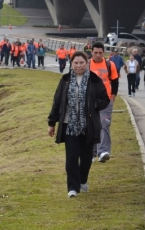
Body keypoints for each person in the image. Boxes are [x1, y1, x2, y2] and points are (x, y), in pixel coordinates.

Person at [48, 51, 111, 198]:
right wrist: (52, 123)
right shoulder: (65, 80)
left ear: (86, 63)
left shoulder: (94, 80)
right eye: (75, 63)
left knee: (86, 157)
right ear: (72, 64)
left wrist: (94, 104)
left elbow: (105, 99)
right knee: (71, 157)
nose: (78, 65)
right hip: (69, 124)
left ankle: (83, 180)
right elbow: (57, 102)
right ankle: (72, 188)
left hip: (88, 125)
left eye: (81, 62)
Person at [89, 42, 119, 163]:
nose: (98, 55)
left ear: (104, 53)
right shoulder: (86, 64)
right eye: (95, 53)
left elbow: (115, 83)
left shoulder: (109, 64)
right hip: (90, 101)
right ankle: (92, 153)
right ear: (91, 52)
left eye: (100, 53)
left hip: (106, 101)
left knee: (104, 125)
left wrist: (112, 100)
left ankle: (103, 152)